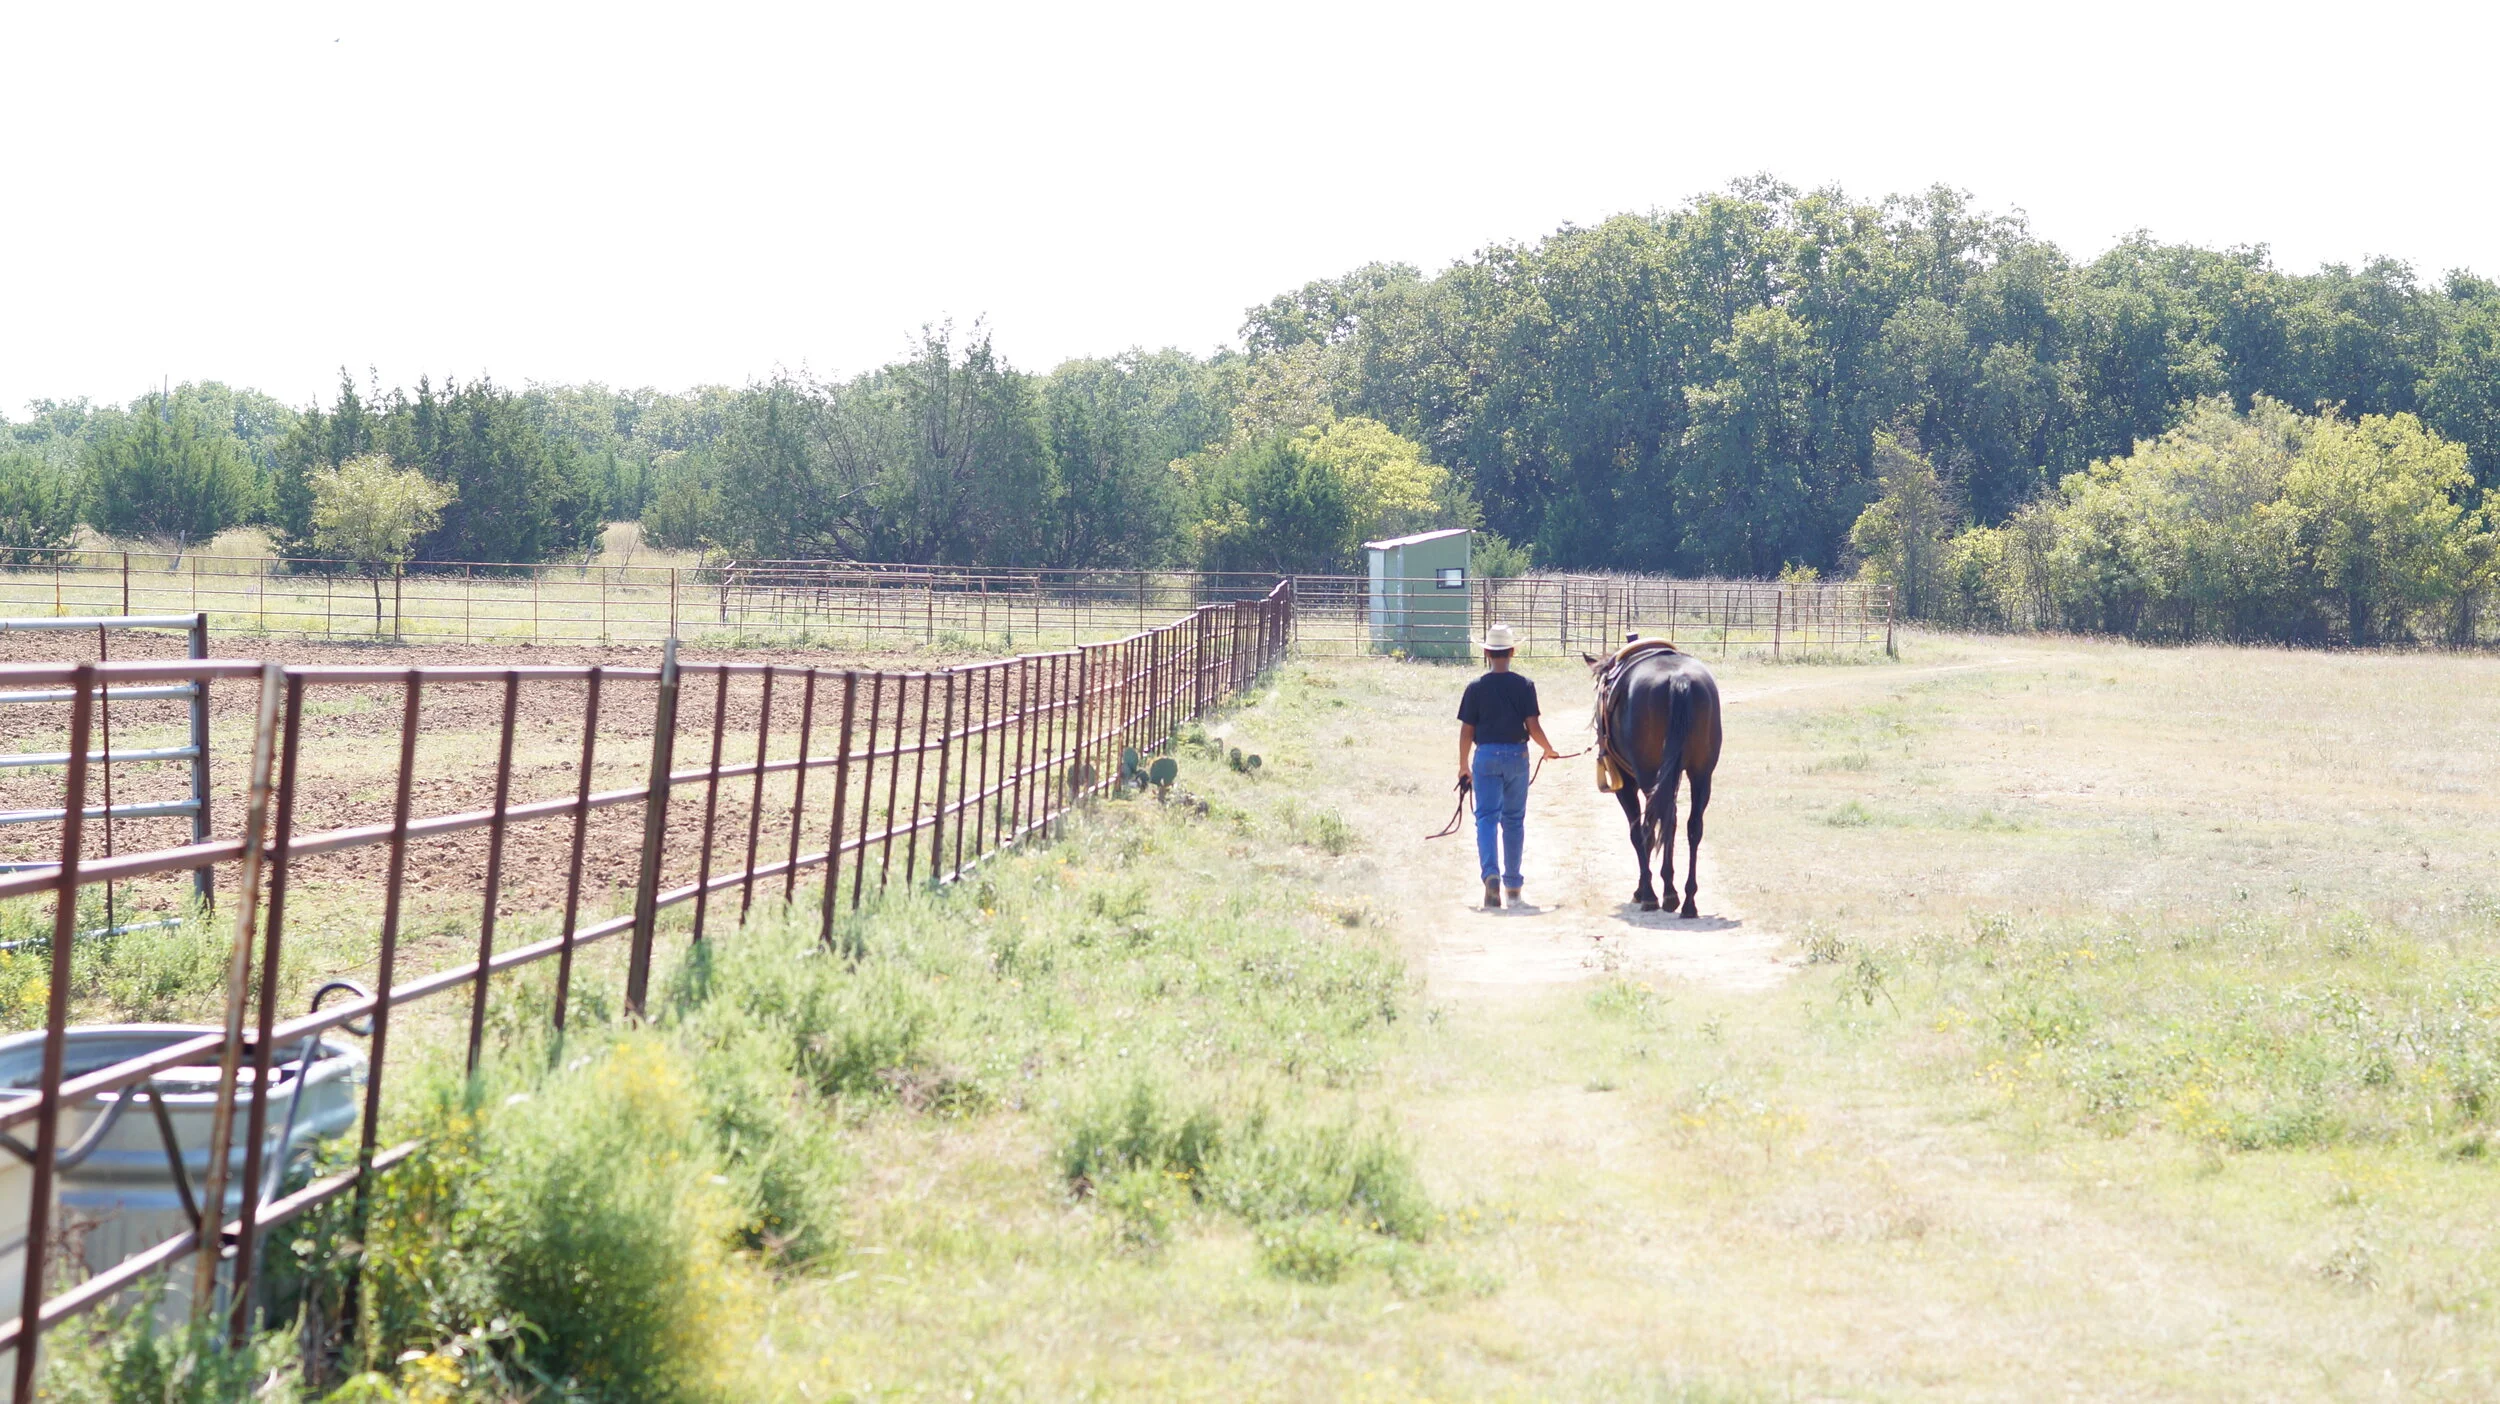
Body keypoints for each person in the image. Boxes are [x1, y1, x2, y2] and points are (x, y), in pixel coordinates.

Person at [1456, 623, 1562, 908]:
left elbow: (1467, 731)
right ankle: (1513, 884)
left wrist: (1463, 765)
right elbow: (1533, 726)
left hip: (1486, 756)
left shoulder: (1475, 688)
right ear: (1512, 651)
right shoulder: (1524, 686)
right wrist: (1548, 749)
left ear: (1487, 653)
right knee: (1513, 820)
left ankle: (1490, 875)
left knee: (1486, 817)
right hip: (1518, 757)